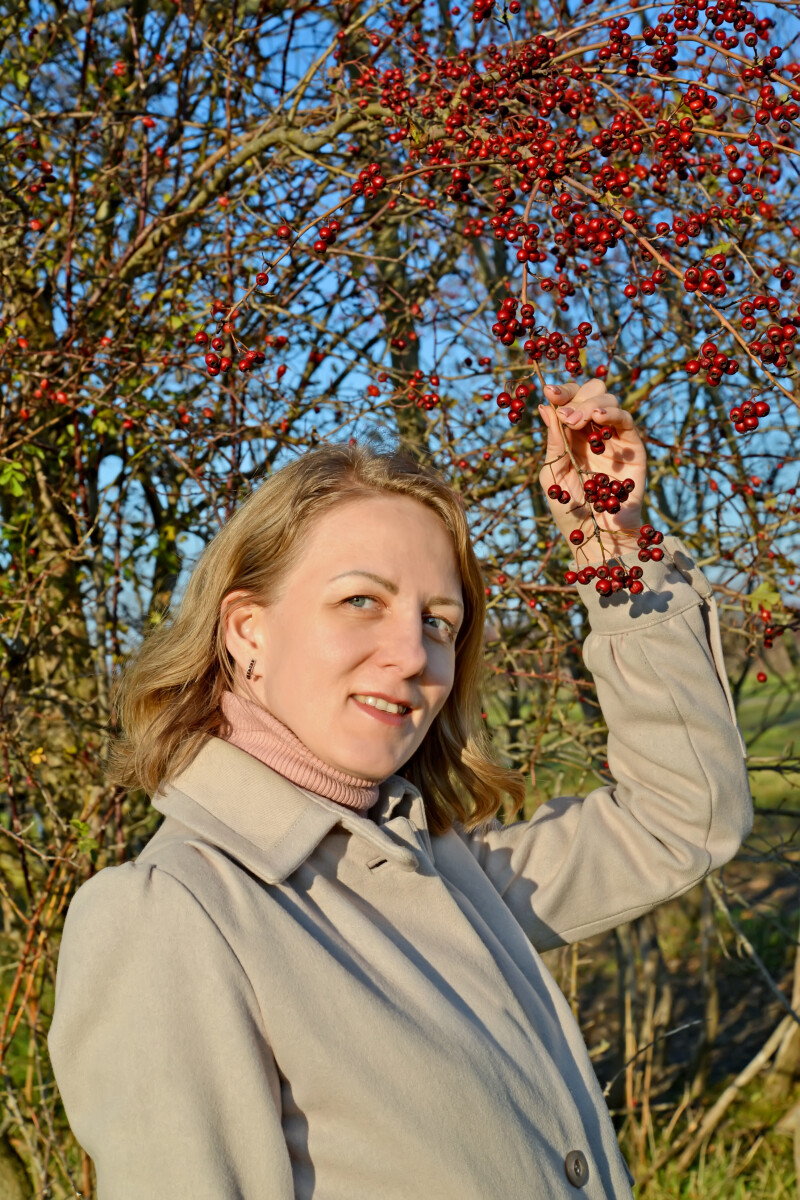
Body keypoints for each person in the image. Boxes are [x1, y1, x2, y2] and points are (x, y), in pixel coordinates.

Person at [48, 379, 753, 1199]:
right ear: (248, 632)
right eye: (360, 602)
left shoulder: (441, 868)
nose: (413, 656)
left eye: (439, 623)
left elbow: (685, 815)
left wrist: (616, 555)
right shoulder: (173, 917)